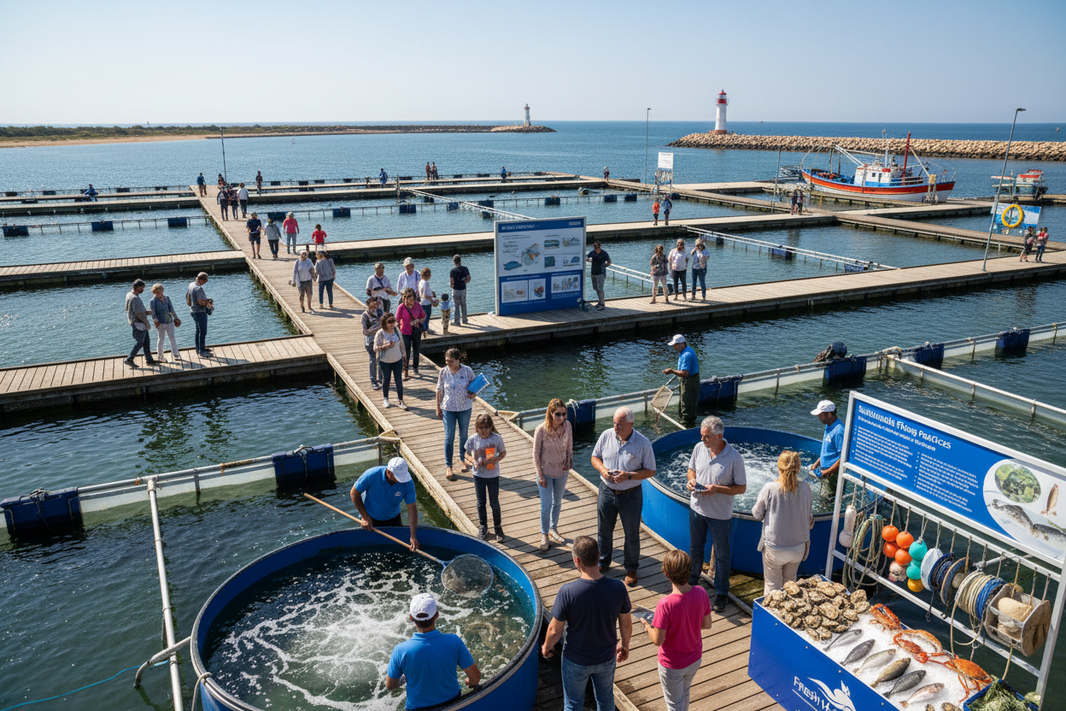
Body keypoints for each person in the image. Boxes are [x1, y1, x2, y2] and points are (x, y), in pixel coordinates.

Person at [541, 535, 632, 711]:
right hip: (606, 657)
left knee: (573, 704)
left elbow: (554, 630)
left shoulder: (567, 592)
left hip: (576, 660)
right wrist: (625, 645)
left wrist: (546, 646)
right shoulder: (618, 587)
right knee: (606, 700)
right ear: (599, 555)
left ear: (577, 560)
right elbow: (626, 624)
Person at [638, 550, 713, 711]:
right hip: (694, 659)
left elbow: (658, 640)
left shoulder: (665, 604)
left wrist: (647, 626)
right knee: (684, 693)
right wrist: (688, 623)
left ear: (665, 573)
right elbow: (707, 624)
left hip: (672, 664)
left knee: (674, 705)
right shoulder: (701, 592)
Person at [686, 415, 746, 612]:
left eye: (707, 437)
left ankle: (721, 593)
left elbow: (741, 488)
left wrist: (717, 489)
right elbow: (691, 469)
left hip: (720, 515)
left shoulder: (734, 457)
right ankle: (693, 582)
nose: (703, 440)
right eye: (702, 436)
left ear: (719, 436)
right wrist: (691, 481)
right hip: (697, 508)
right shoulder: (698, 448)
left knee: (721, 555)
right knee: (695, 548)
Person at [592, 406, 657, 586]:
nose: (615, 428)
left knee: (631, 534)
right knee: (603, 530)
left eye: (620, 425)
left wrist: (628, 475)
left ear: (631, 424)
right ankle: (603, 562)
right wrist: (603, 470)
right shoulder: (606, 436)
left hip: (631, 495)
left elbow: (651, 471)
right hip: (606, 491)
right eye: (614, 423)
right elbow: (594, 457)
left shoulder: (643, 443)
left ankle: (631, 568)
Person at [386, 592, 480, 710]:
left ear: (411, 617)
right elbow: (475, 677)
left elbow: (391, 685)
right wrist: (471, 682)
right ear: (436, 615)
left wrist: (406, 676)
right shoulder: (454, 641)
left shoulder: (400, 650)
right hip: (454, 704)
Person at [752, 451, 813, 597]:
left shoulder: (770, 488)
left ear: (779, 467)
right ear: (798, 468)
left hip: (775, 548)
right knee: (791, 585)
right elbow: (808, 516)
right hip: (798, 548)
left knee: (772, 587)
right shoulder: (806, 489)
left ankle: (771, 617)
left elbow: (756, 514)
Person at [351, 457, 419, 548]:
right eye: (398, 477)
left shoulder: (407, 483)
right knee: (369, 548)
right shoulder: (371, 475)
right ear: (388, 472)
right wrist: (365, 517)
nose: (400, 481)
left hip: (394, 518)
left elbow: (412, 509)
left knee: (396, 548)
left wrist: (413, 536)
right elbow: (354, 493)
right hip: (371, 519)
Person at [533, 397, 573, 552]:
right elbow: (536, 455)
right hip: (546, 473)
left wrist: (569, 464)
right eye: (558, 414)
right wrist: (540, 475)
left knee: (558, 502)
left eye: (564, 414)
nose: (561, 418)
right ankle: (544, 534)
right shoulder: (541, 430)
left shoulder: (567, 426)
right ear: (550, 413)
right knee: (546, 505)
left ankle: (553, 528)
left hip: (562, 472)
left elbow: (569, 446)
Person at [464, 413, 507, 541]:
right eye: (481, 428)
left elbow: (503, 453)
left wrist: (496, 459)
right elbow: (466, 454)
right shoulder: (473, 439)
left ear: (491, 427)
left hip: (493, 475)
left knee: (494, 502)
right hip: (478, 475)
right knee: (481, 502)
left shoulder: (497, 438)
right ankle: (483, 526)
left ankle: (498, 527)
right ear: (477, 428)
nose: (483, 431)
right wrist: (473, 461)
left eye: (486, 428)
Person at [436, 347, 476, 481]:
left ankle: (463, 460)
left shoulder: (467, 370)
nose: (448, 363)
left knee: (463, 434)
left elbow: (475, 386)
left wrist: (474, 394)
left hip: (464, 407)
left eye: (451, 361)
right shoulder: (443, 372)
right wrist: (438, 407)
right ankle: (449, 466)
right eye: (446, 361)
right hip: (448, 408)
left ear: (458, 360)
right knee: (449, 437)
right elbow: (439, 390)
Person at [663, 334, 699, 426]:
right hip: (693, 380)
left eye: (675, 345)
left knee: (687, 404)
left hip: (689, 382)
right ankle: (689, 421)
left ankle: (687, 425)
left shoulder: (686, 355)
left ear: (682, 344)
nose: (674, 347)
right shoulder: (689, 349)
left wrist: (671, 371)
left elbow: (685, 373)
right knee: (687, 402)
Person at [375, 312, 407, 409]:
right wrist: (387, 346)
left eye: (393, 321)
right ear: (384, 323)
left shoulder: (397, 330)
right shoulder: (380, 333)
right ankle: (386, 399)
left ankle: (401, 401)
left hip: (397, 359)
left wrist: (404, 356)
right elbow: (375, 348)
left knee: (399, 381)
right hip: (385, 361)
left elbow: (401, 343)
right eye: (389, 322)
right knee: (386, 380)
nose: (392, 324)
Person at [809, 400, 843, 482]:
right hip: (824, 470)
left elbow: (843, 457)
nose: (818, 417)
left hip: (832, 473)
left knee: (829, 494)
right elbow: (827, 451)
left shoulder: (839, 431)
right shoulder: (828, 426)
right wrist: (816, 465)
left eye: (820, 415)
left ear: (829, 414)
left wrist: (828, 471)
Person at [124, 279, 156, 367]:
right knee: (140, 342)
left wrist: (145, 312)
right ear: (136, 287)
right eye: (141, 287)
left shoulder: (129, 295)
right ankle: (129, 359)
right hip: (139, 323)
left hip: (135, 321)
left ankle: (149, 360)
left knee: (146, 342)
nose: (143, 289)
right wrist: (146, 321)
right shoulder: (135, 298)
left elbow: (127, 308)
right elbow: (139, 313)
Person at [396, 288, 426, 379]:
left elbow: (424, 317)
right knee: (406, 352)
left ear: (414, 297)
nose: (408, 299)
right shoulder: (401, 307)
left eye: (410, 297)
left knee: (416, 350)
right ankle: (406, 370)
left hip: (416, 330)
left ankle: (415, 368)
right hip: (405, 331)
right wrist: (397, 333)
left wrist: (418, 320)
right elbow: (397, 320)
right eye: (406, 297)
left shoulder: (417, 305)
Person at [149, 283, 181, 363]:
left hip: (169, 321)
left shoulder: (167, 298)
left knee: (172, 338)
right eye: (156, 292)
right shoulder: (152, 301)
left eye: (160, 292)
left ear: (162, 291)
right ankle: (160, 356)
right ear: (154, 292)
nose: (159, 294)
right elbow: (153, 313)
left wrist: (176, 317)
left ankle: (176, 354)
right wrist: (156, 321)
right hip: (160, 323)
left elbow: (171, 309)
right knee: (161, 339)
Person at [186, 272, 213, 357]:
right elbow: (200, 302)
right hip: (199, 312)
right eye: (205, 281)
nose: (206, 282)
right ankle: (202, 351)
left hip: (193, 311)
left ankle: (199, 348)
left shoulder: (191, 285)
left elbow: (187, 297)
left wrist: (191, 305)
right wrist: (208, 303)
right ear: (203, 280)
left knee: (198, 331)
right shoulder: (198, 289)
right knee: (203, 331)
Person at [361, 296, 385, 390]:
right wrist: (377, 329)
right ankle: (373, 381)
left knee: (381, 360)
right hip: (370, 341)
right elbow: (365, 332)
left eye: (377, 302)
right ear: (369, 303)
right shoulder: (365, 315)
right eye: (374, 302)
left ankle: (381, 379)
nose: (377, 303)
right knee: (373, 360)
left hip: (380, 340)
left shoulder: (380, 312)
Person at [586, 241, 612, 310]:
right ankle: (599, 302)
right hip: (593, 272)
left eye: (598, 248)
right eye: (595, 248)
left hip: (600, 273)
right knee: (595, 288)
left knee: (600, 288)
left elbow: (609, 261)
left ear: (600, 247)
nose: (597, 249)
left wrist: (605, 265)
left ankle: (602, 303)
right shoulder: (593, 252)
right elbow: (587, 256)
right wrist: (588, 259)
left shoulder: (604, 253)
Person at [449, 255, 470, 326]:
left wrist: (452, 286)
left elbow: (451, 282)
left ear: (454, 262)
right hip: (463, 289)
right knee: (463, 304)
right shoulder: (465, 269)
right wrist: (465, 282)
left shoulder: (452, 270)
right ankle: (465, 320)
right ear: (460, 261)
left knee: (456, 306)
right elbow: (469, 278)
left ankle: (457, 321)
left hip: (455, 290)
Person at [417, 267, 438, 334]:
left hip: (421, 302)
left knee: (423, 317)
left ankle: (423, 329)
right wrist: (432, 299)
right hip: (426, 302)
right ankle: (426, 329)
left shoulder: (420, 282)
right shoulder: (425, 282)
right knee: (427, 317)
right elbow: (425, 294)